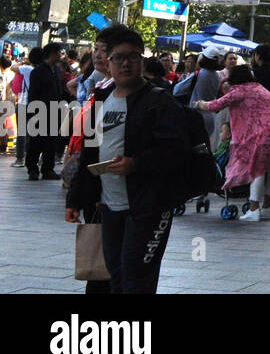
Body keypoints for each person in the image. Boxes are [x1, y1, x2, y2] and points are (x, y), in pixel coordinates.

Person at [65, 24, 189, 295]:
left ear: (141, 60)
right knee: (116, 276)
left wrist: (136, 164)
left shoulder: (159, 101)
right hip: (111, 206)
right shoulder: (102, 98)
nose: (125, 63)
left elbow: (176, 151)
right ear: (107, 64)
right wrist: (76, 199)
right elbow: (90, 153)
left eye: (132, 57)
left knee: (137, 279)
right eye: (117, 58)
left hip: (148, 205)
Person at [195, 61, 270, 222]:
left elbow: (215, 105)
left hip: (267, 130)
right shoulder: (258, 87)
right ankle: (267, 208)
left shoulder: (239, 91)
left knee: (257, 168)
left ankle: (254, 209)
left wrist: (200, 104)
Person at [25, 44, 72, 180]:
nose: (60, 55)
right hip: (40, 112)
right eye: (58, 52)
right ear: (51, 53)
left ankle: (47, 169)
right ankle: (32, 169)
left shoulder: (56, 71)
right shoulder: (38, 72)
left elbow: (58, 91)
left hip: (54, 111)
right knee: (36, 142)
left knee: (51, 143)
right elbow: (33, 94)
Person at [189, 44, 225, 149]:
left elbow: (177, 90)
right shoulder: (217, 75)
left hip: (197, 114)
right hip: (211, 116)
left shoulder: (199, 74)